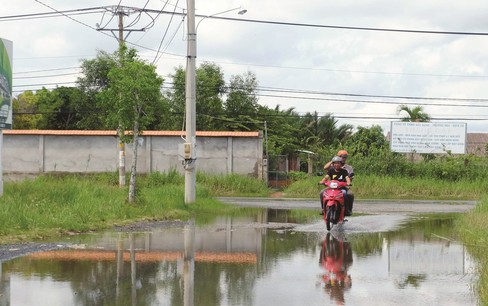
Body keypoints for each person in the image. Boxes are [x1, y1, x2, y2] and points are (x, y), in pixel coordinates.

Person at [323, 150, 354, 215]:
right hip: (332, 187)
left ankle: (347, 209)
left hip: (343, 186)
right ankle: (324, 209)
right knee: (322, 193)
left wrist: (348, 181)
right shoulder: (333, 167)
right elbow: (325, 168)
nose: (344, 158)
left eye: (345, 157)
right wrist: (334, 160)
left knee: (349, 194)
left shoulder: (348, 168)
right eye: (342, 157)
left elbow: (350, 178)